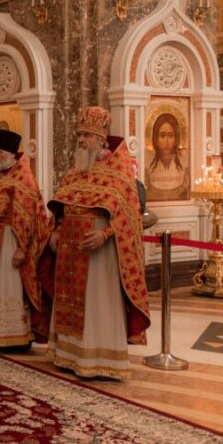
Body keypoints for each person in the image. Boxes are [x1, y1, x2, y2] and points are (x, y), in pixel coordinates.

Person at [46, 107, 150, 379]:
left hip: (100, 255)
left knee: (97, 303)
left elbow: (130, 216)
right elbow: (63, 207)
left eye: (88, 136)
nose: (81, 140)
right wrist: (56, 230)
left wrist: (104, 234)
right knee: (69, 301)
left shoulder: (119, 171)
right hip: (69, 251)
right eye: (80, 135)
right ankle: (69, 355)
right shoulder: (74, 172)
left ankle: (99, 359)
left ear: (102, 140)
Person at [0, 130, 50, 349]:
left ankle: (15, 335)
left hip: (11, 240)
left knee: (9, 285)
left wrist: (21, 248)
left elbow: (27, 216)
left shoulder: (22, 177)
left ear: (11, 154)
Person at [145, 113, 190, 200]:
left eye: (170, 135)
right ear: (156, 139)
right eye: (162, 135)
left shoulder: (184, 162)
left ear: (176, 139)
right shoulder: (148, 163)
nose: (167, 141)